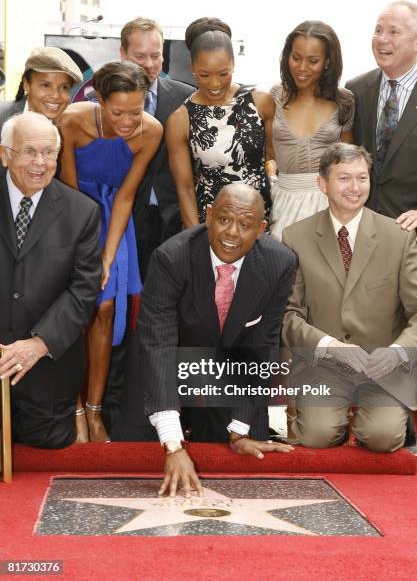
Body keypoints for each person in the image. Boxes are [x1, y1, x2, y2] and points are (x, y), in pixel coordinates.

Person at [114, 183, 296, 496]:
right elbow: (158, 345)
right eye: (224, 219)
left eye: (245, 225)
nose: (232, 233)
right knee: (130, 464)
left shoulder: (280, 263)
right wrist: (172, 445)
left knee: (246, 465)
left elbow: (262, 346)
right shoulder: (171, 257)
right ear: (209, 215)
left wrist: (240, 429)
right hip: (165, 367)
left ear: (262, 229)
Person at [281, 143, 417, 451]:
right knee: (317, 436)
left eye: (362, 178)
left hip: (382, 366)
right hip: (325, 364)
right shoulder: (296, 236)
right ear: (322, 183)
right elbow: (289, 316)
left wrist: (396, 352)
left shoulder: (399, 236)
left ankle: (395, 415)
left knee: (382, 438)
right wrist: (330, 346)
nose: (355, 188)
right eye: (344, 178)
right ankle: (335, 421)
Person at [60, 61, 163, 442]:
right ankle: (72, 409)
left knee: (104, 307)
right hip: (72, 215)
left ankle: (95, 411)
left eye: (136, 110)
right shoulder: (71, 121)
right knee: (72, 310)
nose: (127, 121)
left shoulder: (151, 132)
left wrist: (107, 256)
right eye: (117, 111)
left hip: (116, 218)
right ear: (98, 99)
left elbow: (125, 197)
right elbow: (70, 194)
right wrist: (84, 252)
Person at [0, 112, 101, 448]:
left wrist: (39, 345)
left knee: (48, 444)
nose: (40, 163)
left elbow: (83, 290)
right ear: (5, 154)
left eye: (49, 153)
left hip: (45, 364)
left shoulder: (82, 212)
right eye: (29, 151)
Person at [166, 17, 276, 228]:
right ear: (192, 67)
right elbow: (185, 188)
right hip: (211, 224)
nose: (214, 84)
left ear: (234, 64)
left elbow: (273, 158)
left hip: (259, 221)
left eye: (223, 73)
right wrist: (194, 237)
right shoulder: (180, 119)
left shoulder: (261, 102)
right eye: (204, 75)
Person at [120, 17, 195, 281]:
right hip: (124, 217)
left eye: (156, 55)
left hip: (172, 218)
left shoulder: (186, 98)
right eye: (139, 56)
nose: (149, 64)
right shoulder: (102, 101)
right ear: (123, 54)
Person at [270, 20, 354, 241]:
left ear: (327, 61)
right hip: (282, 201)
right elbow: (266, 152)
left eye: (313, 61)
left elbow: (350, 161)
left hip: (329, 203)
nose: (302, 68)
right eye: (296, 58)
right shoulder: (274, 97)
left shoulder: (344, 101)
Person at [346, 1, 417, 223]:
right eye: (378, 30)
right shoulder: (356, 90)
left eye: (394, 31)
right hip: (362, 224)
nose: (382, 39)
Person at [0, 46, 82, 128]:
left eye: (64, 87)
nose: (55, 95)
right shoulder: (2, 116)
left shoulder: (74, 127)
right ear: (26, 85)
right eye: (46, 86)